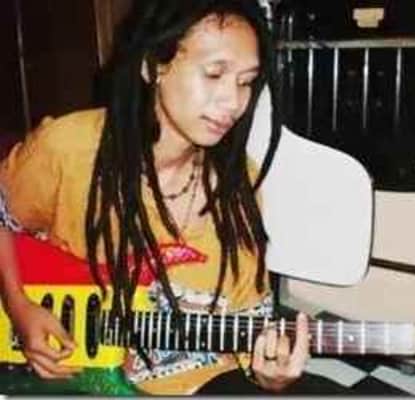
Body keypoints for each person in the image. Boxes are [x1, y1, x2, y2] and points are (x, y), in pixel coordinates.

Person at [0, 0, 315, 395]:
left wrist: (269, 374)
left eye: (246, 81)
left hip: (204, 383)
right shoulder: (69, 147)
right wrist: (18, 305)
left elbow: (250, 319)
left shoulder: (238, 183)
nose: (234, 102)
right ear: (152, 66)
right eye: (214, 73)